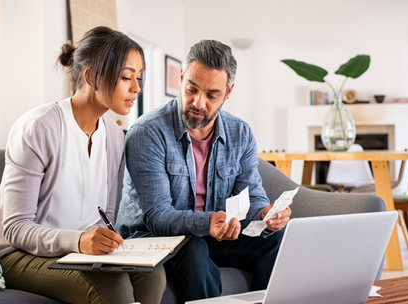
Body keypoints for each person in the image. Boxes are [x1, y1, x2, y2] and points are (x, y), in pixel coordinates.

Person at [0, 26, 166, 304]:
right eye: (126, 77)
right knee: (112, 286)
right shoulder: (38, 128)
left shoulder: (115, 136)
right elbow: (16, 228)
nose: (136, 88)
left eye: (138, 78)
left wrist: (107, 241)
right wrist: (78, 241)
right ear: (91, 76)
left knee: (153, 274)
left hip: (76, 253)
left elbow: (107, 215)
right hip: (17, 255)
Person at [116, 40, 292, 303]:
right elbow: (157, 216)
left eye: (211, 95)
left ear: (228, 92)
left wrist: (266, 214)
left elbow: (252, 197)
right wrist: (208, 223)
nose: (198, 103)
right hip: (151, 238)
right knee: (194, 248)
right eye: (191, 89)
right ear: (180, 78)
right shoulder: (148, 132)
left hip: (210, 233)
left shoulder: (240, 133)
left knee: (277, 241)